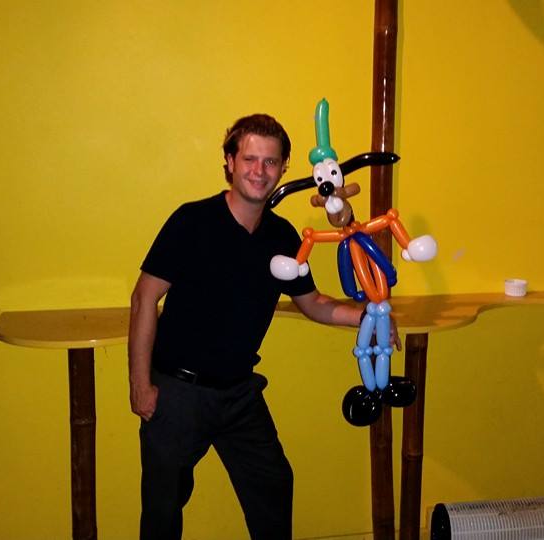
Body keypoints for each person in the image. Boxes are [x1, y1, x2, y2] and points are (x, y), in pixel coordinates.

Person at [128, 113, 385, 539]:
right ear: (230, 162)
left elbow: (314, 303)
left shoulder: (283, 237)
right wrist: (140, 383)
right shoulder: (192, 221)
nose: (259, 171)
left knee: (274, 486)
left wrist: (371, 318)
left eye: (270, 162)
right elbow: (144, 298)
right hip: (177, 393)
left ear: (283, 168)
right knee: (162, 509)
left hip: (240, 394)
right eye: (249, 159)